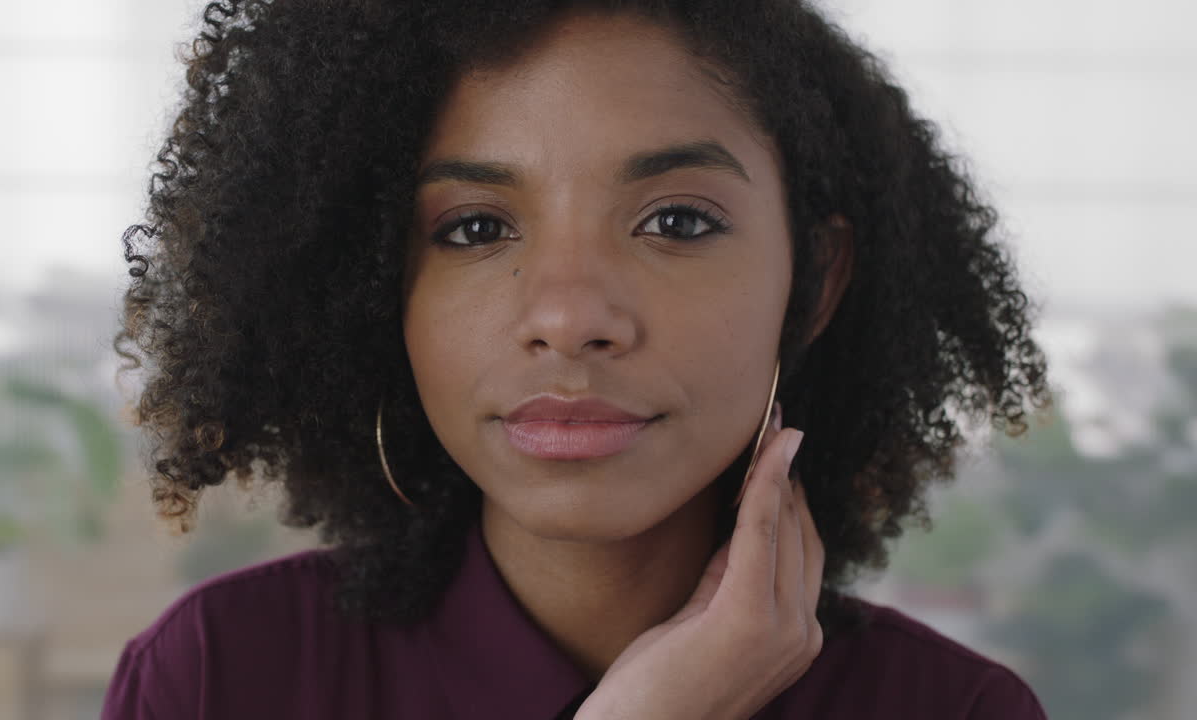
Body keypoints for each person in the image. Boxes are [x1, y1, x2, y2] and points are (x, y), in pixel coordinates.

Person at [102, 0, 1054, 717]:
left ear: (817, 280)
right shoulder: (219, 678)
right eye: (475, 228)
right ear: (374, 288)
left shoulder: (956, 711)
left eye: (675, 221)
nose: (567, 317)